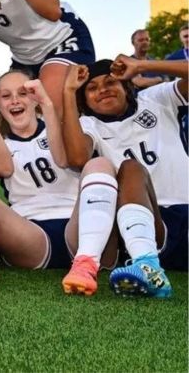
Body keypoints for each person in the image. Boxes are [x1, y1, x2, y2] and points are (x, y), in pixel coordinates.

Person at [0, 74, 118, 293]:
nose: (15, 101)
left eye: (23, 93)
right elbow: (5, 169)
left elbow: (61, 159)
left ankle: (86, 262)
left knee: (100, 164)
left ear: (34, 97)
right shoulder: (2, 141)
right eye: (6, 96)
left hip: (78, 229)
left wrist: (47, 103)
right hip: (31, 237)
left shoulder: (58, 127)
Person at [61, 56, 188, 298]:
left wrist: (142, 65)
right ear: (84, 99)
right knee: (130, 168)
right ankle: (147, 264)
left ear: (126, 85)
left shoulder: (156, 99)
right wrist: (68, 91)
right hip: (150, 227)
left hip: (185, 208)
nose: (103, 91)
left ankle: (149, 267)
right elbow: (77, 159)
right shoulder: (90, 125)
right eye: (92, 88)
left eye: (110, 83)